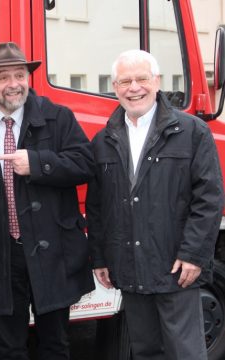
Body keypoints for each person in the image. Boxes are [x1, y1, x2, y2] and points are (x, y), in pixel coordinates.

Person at [0, 42, 95, 360]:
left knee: (55, 345)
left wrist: (39, 163)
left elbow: (86, 164)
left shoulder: (58, 117)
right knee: (8, 348)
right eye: (3, 77)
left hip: (53, 251)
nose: (14, 84)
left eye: (20, 75)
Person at [86, 49, 224, 360]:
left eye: (141, 79)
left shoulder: (192, 132)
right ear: (115, 86)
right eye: (125, 81)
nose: (133, 88)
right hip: (130, 269)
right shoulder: (104, 139)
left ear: (157, 82)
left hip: (175, 268)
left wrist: (193, 255)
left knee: (185, 352)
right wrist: (100, 256)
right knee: (146, 351)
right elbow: (97, 207)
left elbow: (209, 198)